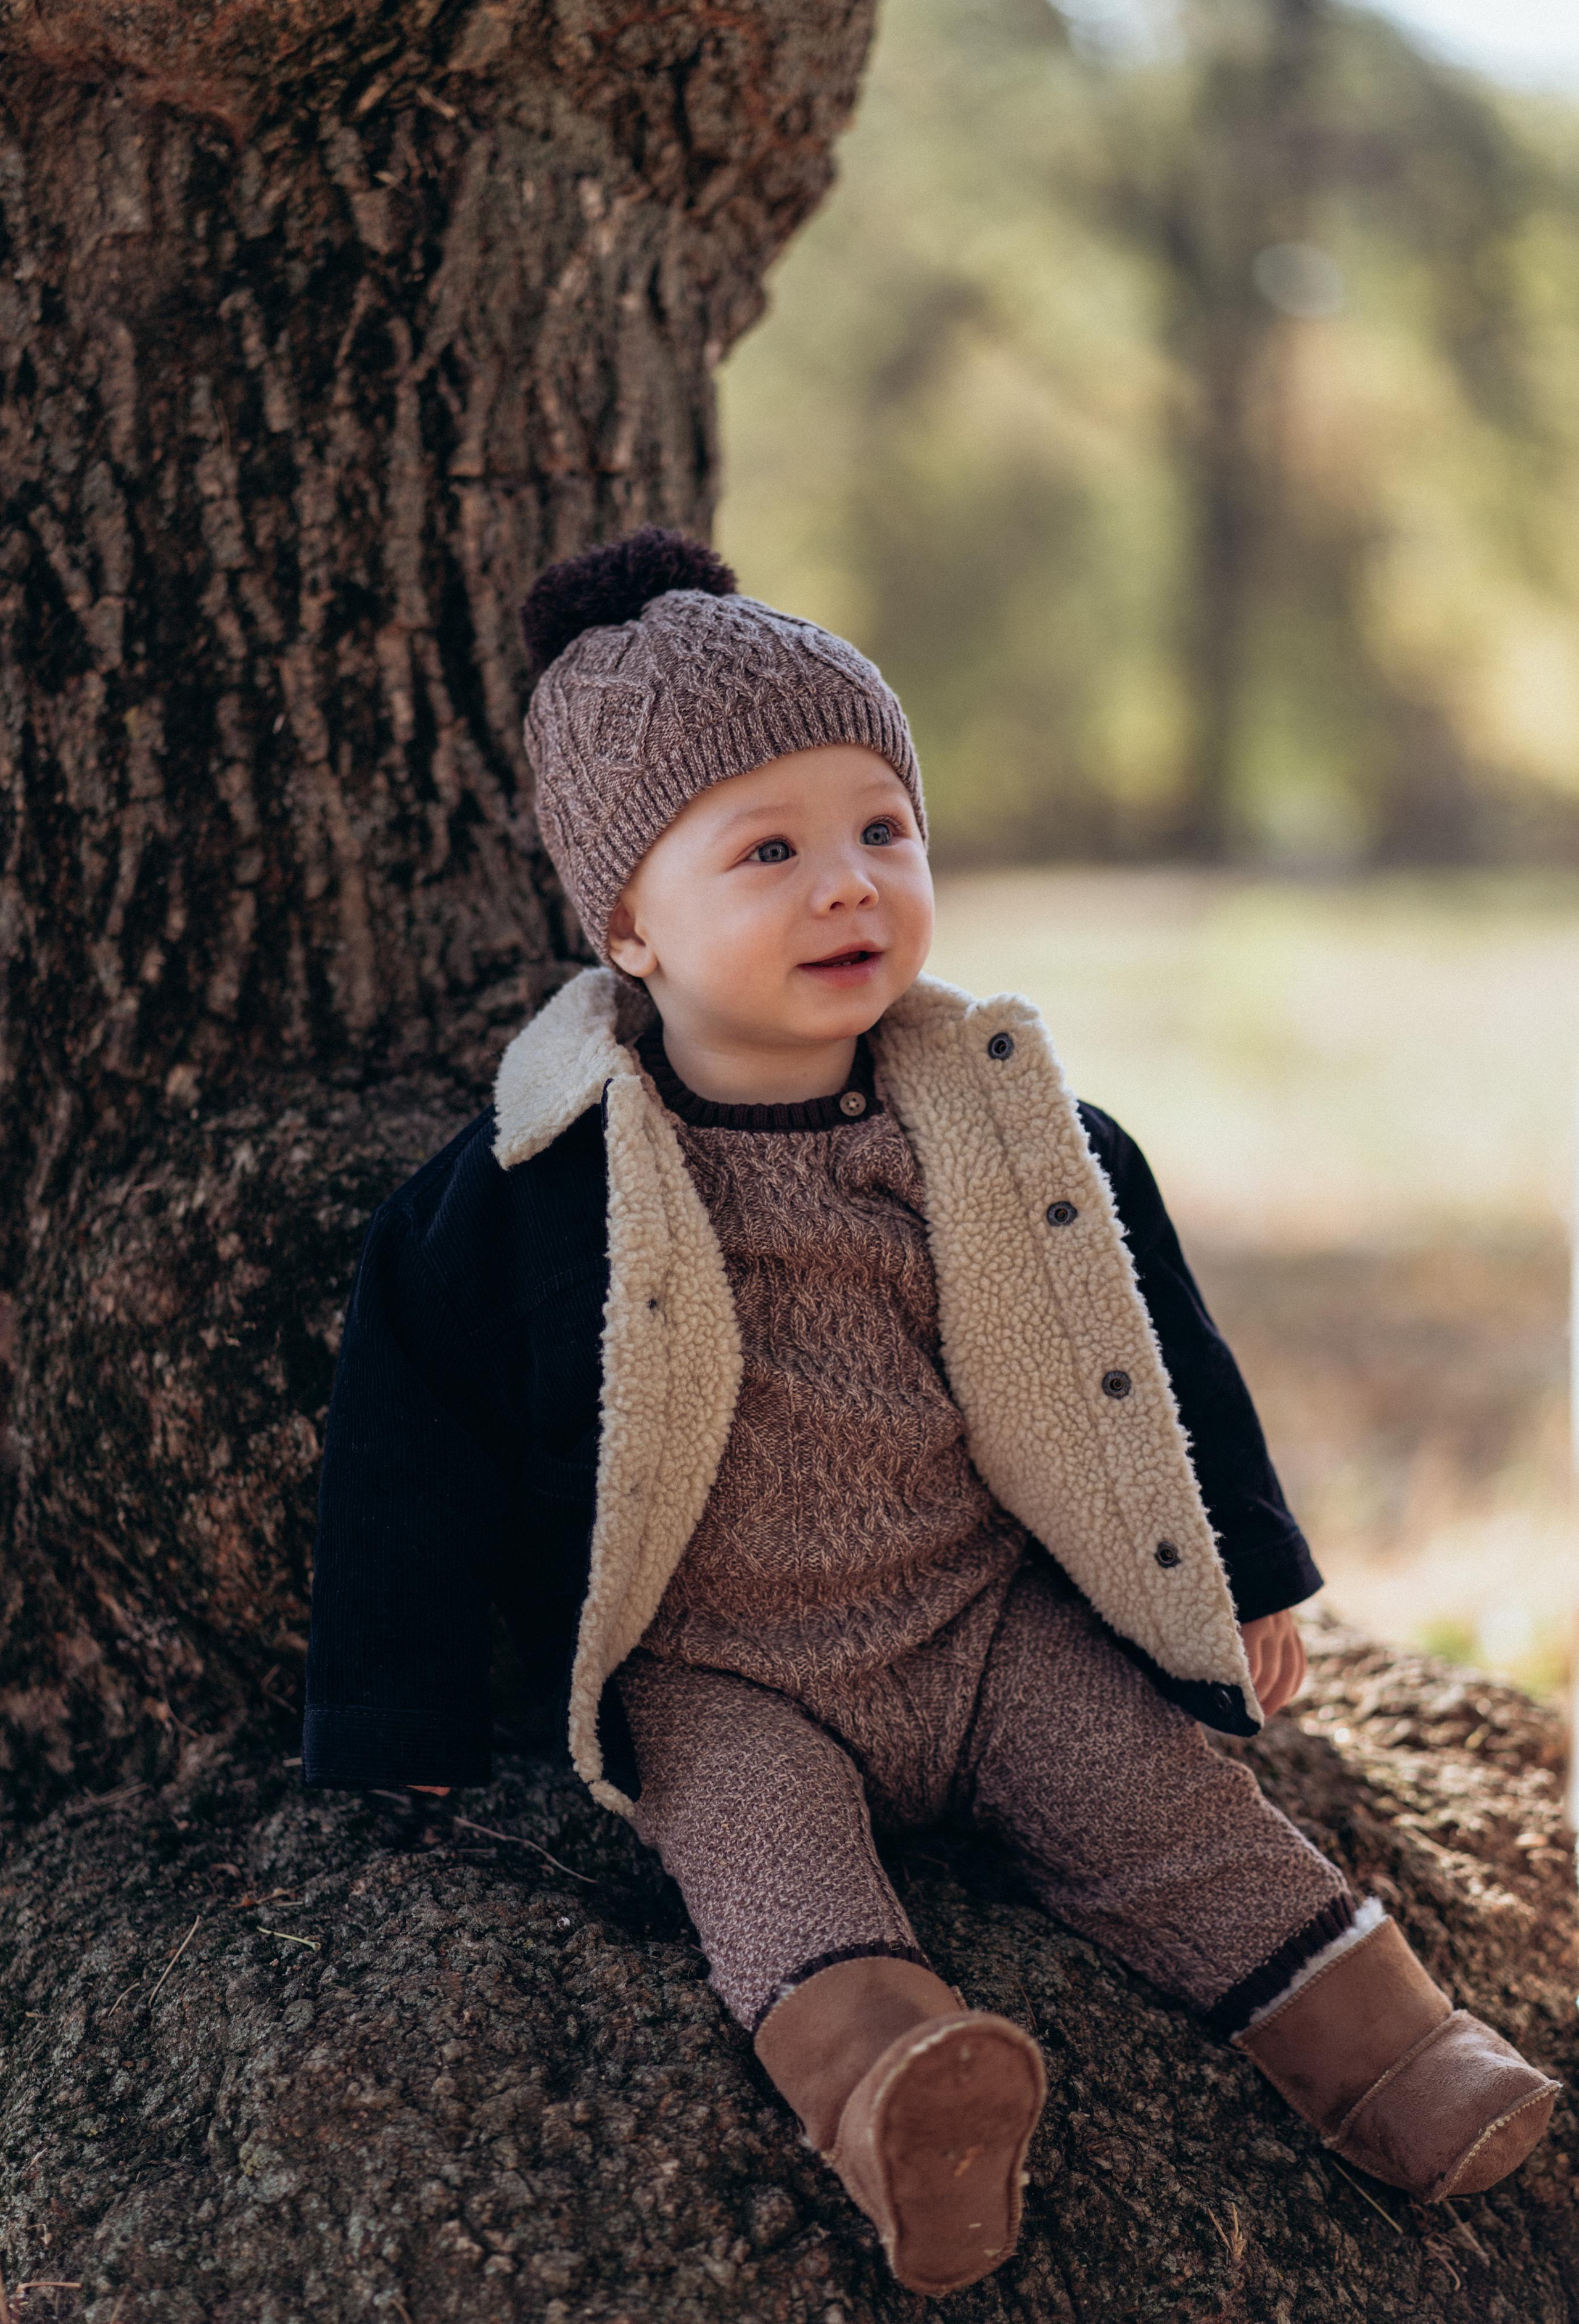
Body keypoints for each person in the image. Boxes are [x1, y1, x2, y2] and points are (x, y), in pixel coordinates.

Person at [303, 529, 1557, 2297]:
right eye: (769, 851)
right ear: (627, 925)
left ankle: (1397, 2061)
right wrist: (394, 1712)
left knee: (1162, 1800)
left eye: (883, 832)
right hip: (719, 1670)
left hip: (984, 1620)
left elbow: (1150, 1350)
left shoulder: (1011, 1131)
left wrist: (1249, 1566)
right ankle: (902, 2094)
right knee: (761, 1863)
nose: (849, 887)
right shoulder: (530, 1187)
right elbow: (409, 1453)